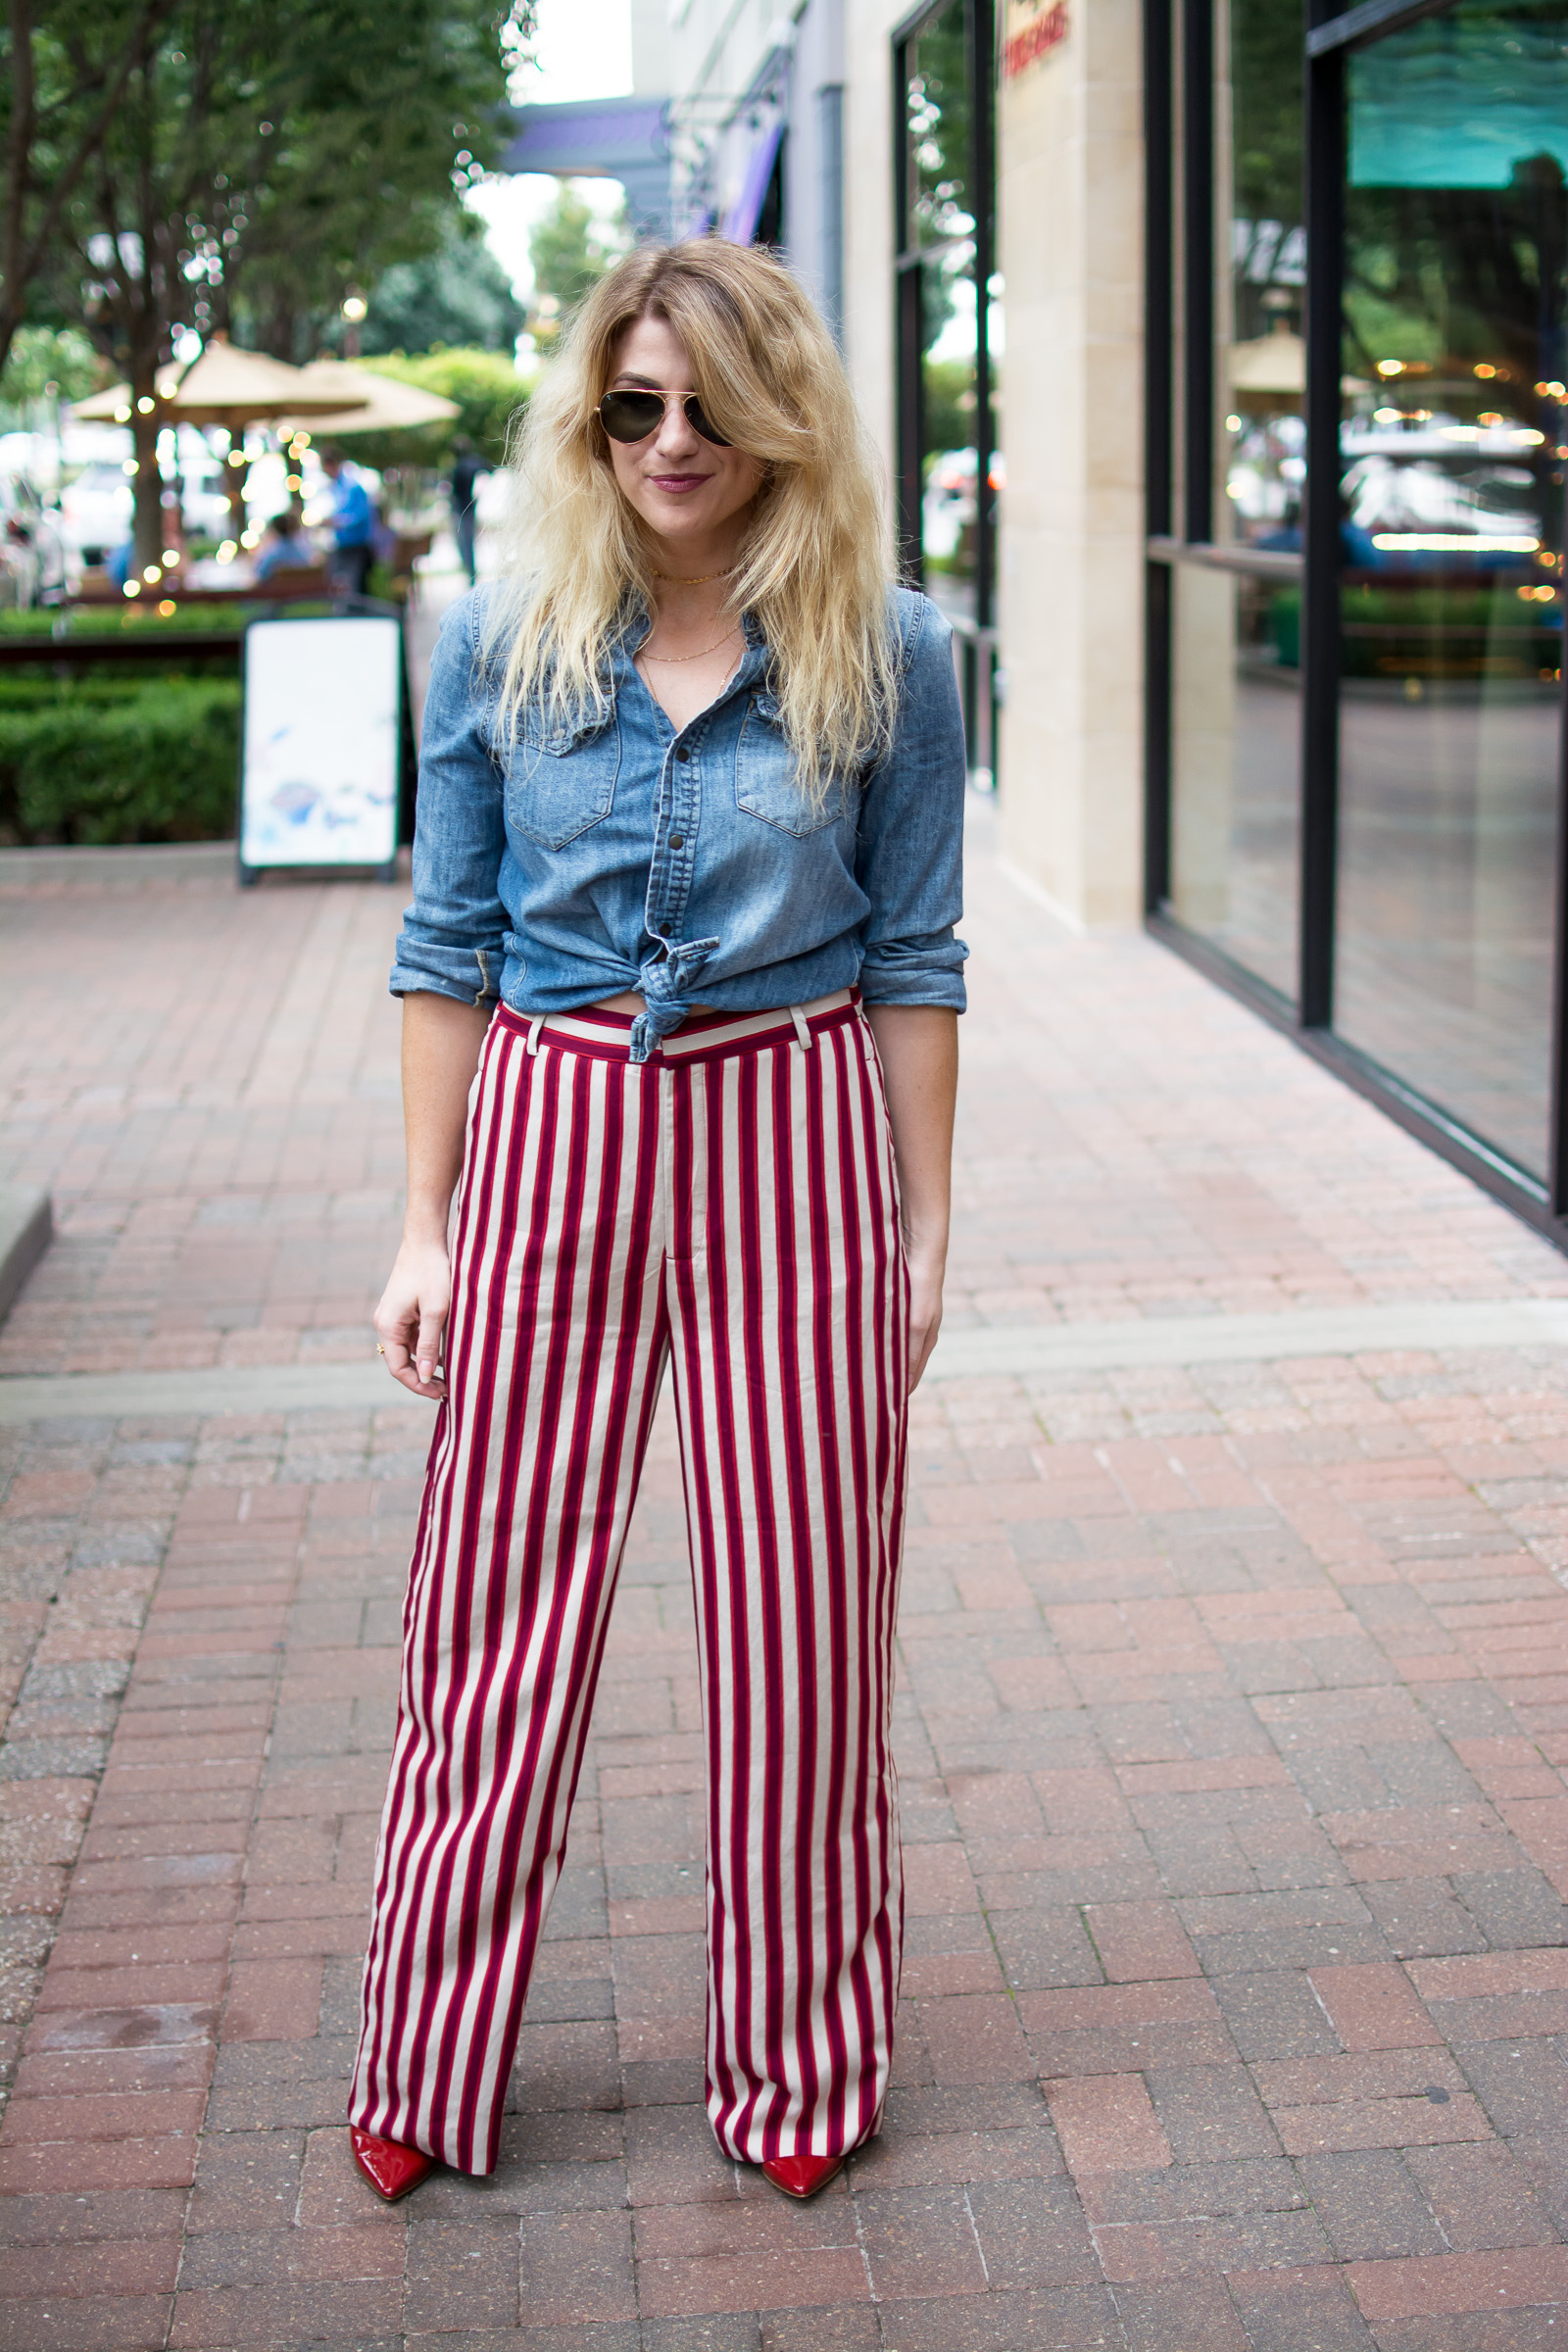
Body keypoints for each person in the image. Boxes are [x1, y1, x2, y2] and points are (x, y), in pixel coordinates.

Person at [346, 240, 966, 2209]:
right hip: (551, 1130)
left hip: (794, 1136)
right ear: (585, 418)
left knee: (803, 1634)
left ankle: (799, 2072)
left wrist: (925, 1232)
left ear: (777, 414)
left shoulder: (893, 646)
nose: (671, 442)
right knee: (490, 1628)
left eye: (707, 403)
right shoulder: (498, 638)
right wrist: (423, 1224)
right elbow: (445, 944)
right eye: (632, 405)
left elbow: (917, 958)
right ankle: (424, 2063)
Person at [319, 446, 374, 596]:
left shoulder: (352, 487)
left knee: (355, 587)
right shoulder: (335, 488)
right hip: (342, 545)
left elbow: (360, 516)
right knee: (340, 586)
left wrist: (336, 522)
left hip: (356, 546)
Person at [449, 435, 486, 585]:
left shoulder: (462, 466)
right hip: (469, 509)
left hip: (463, 510)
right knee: (467, 544)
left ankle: (471, 574)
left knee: (465, 544)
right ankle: (471, 573)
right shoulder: (475, 463)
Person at [253, 509, 312, 582]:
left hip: (276, 593)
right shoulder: (301, 552)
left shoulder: (273, 554)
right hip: (300, 592)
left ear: (274, 530)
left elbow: (259, 576)